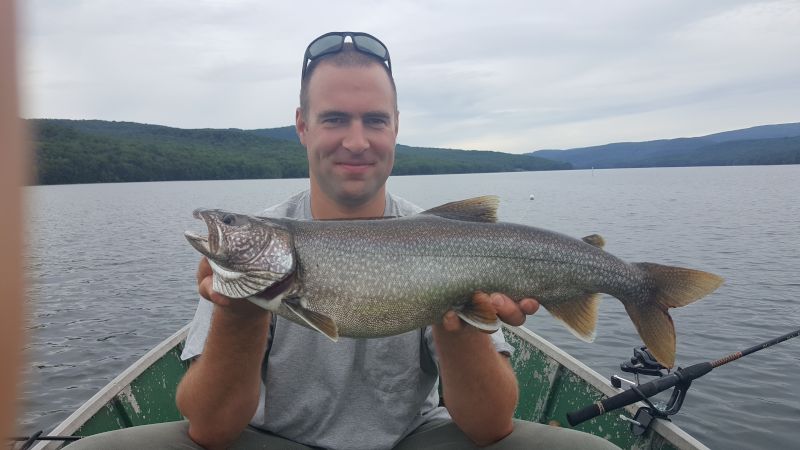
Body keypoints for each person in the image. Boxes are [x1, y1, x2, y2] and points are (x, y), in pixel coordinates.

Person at [72, 32, 619, 450]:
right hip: (272, 440)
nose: (356, 141)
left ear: (396, 128)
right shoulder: (252, 254)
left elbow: (488, 426)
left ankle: (635, 284)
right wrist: (240, 311)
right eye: (334, 118)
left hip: (412, 439)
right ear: (302, 126)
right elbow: (211, 430)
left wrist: (462, 318)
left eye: (374, 120)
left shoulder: (437, 232)